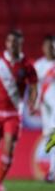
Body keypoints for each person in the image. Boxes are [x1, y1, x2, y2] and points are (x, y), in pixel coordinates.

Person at [0, 30, 38, 191]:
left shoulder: (27, 65)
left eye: (16, 42)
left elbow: (33, 85)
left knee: (9, 147)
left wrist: (32, 101)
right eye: (10, 41)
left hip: (13, 113)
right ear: (6, 43)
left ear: (21, 44)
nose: (13, 45)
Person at [34, 35, 55, 182]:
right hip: (45, 109)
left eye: (52, 46)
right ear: (43, 48)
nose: (50, 49)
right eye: (48, 46)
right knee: (50, 138)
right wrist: (33, 103)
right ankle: (52, 172)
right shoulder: (39, 65)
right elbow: (34, 86)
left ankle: (53, 172)